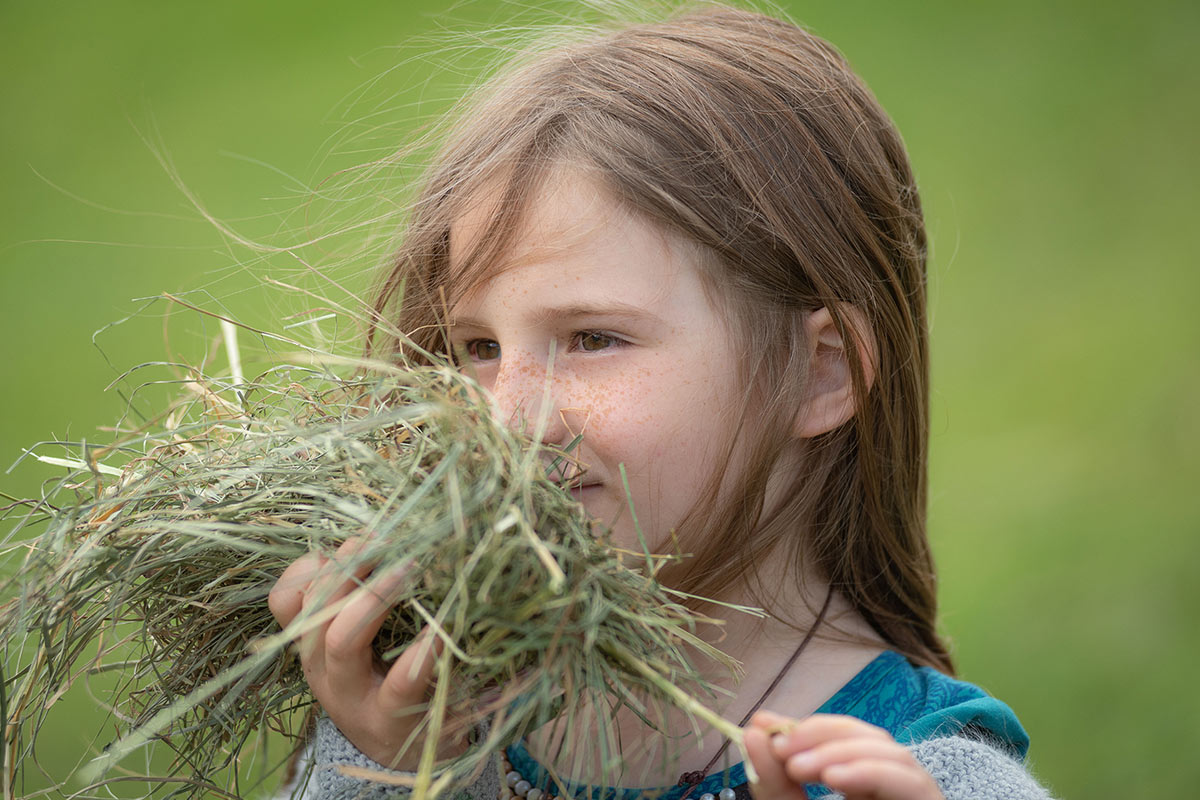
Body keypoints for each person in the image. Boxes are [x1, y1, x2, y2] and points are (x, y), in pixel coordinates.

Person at [268, 4, 1054, 799]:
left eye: (593, 339)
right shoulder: (407, 709)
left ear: (821, 372)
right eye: (480, 349)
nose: (507, 422)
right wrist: (404, 774)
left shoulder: (934, 780)